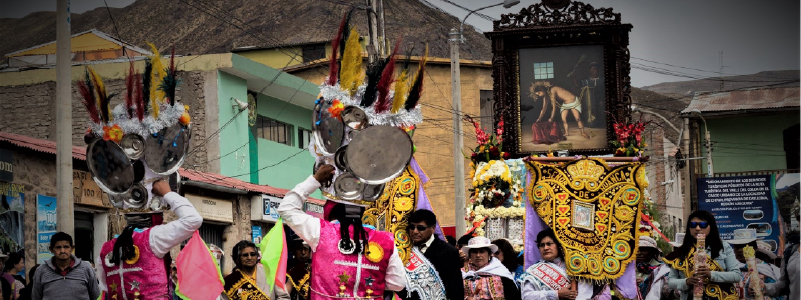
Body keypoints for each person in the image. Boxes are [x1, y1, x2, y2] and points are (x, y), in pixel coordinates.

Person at [277, 164, 406, 298]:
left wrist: (315, 180)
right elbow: (398, 284)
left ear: (330, 211)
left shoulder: (321, 231)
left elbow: (286, 208)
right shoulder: (386, 240)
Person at [96, 179, 203, 300]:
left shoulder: (106, 249)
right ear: (156, 217)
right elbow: (193, 219)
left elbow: (105, 290)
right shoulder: (153, 237)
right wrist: (167, 193)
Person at [664, 210, 742, 300]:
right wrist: (687, 282)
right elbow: (671, 281)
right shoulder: (681, 251)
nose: (697, 228)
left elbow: (736, 276)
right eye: (693, 225)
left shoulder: (722, 247)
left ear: (711, 227)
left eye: (703, 225)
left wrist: (710, 274)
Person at [520, 229, 610, 300]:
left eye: (549, 244)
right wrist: (556, 294)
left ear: (558, 245)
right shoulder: (534, 271)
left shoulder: (576, 266)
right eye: (542, 245)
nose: (545, 248)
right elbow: (526, 296)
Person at [401, 209, 464, 300]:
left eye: (421, 228)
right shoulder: (403, 249)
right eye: (412, 227)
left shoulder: (449, 252)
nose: (415, 231)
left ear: (433, 228)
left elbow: (456, 289)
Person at [31, 232, 100, 300]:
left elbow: (96, 296)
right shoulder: (41, 271)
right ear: (51, 249)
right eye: (58, 247)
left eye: (66, 247)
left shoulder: (86, 269)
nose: (62, 251)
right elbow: (36, 297)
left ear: (72, 248)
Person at [224, 240, 289, 300]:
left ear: (257, 256)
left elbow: (284, 297)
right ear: (237, 258)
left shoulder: (270, 273)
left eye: (253, 254)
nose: (249, 258)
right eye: (245, 255)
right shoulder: (230, 281)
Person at [636, 236, 675, 300]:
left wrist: (647, 284)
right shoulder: (625, 268)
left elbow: (668, 292)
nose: (639, 253)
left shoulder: (663, 269)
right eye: (636, 249)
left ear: (652, 252)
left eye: (643, 249)